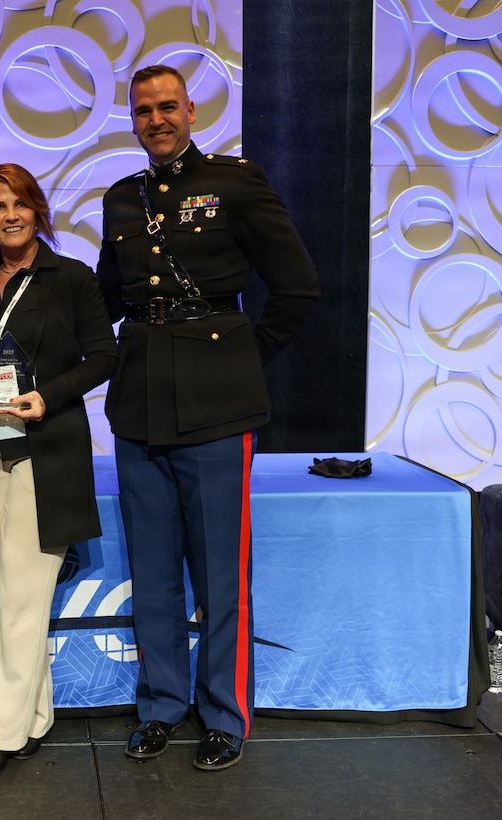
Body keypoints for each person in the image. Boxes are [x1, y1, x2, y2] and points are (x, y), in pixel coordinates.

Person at [96, 65, 320, 771]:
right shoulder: (120, 199)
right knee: (152, 570)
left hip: (218, 407)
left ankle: (222, 716)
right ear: (132, 119)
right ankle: (160, 705)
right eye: (142, 111)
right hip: (138, 404)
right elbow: (105, 297)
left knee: (219, 574)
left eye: (166, 107)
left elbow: (297, 287)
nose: (155, 119)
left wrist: (240, 359)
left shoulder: (235, 182)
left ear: (191, 110)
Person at [0, 163, 117, 783]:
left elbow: (105, 354)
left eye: (20, 203)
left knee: (21, 600)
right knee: (5, 595)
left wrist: (49, 394)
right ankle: (35, 718)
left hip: (45, 457)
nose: (10, 215)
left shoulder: (71, 278)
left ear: (38, 209)